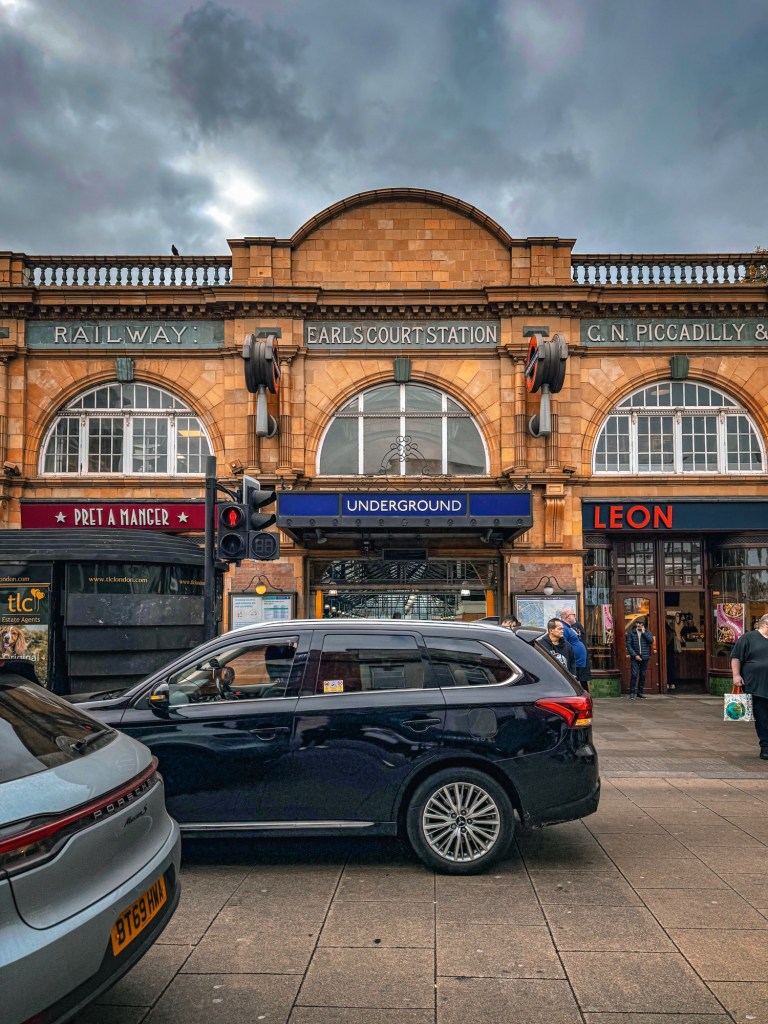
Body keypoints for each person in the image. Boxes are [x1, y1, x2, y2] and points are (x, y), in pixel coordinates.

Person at [731, 613, 768, 760]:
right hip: (757, 686)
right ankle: (765, 746)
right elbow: (736, 657)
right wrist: (736, 675)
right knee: (762, 717)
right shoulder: (748, 638)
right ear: (766, 624)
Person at [561, 608, 591, 691]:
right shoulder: (563, 628)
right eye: (573, 615)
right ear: (567, 616)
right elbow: (564, 645)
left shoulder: (569, 627)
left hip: (578, 662)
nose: (575, 617)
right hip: (573, 662)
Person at [625, 617, 654, 699]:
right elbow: (629, 645)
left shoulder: (647, 632)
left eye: (640, 623)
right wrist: (635, 655)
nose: (638, 625)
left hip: (644, 657)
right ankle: (632, 693)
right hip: (635, 657)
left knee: (643, 675)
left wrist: (644, 633)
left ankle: (640, 693)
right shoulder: (631, 633)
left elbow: (651, 641)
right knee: (634, 674)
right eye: (637, 623)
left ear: (643, 624)